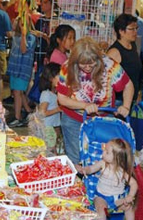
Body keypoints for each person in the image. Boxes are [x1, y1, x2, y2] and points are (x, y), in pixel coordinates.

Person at [57, 37, 134, 165]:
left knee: (103, 156)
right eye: (83, 64)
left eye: (91, 63)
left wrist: (126, 106)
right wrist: (84, 105)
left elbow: (128, 85)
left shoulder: (109, 65)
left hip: (103, 119)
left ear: (98, 59)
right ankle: (79, 182)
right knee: (77, 158)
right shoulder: (67, 67)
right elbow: (62, 98)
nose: (87, 67)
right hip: (74, 120)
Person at [76, 138, 138, 220]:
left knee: (129, 207)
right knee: (101, 212)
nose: (103, 153)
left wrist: (130, 196)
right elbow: (91, 169)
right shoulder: (103, 163)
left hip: (117, 199)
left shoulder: (122, 171)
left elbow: (134, 184)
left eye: (107, 152)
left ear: (117, 158)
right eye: (104, 149)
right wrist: (84, 170)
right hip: (101, 197)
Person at [6, 17, 36, 127]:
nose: (22, 25)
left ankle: (17, 117)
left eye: (25, 22)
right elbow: (9, 32)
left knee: (18, 93)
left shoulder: (31, 37)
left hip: (23, 70)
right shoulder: (16, 36)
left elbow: (24, 50)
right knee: (17, 92)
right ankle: (28, 111)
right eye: (20, 22)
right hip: (14, 69)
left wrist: (24, 34)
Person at [107, 13, 142, 102]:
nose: (135, 32)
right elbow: (107, 80)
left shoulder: (133, 45)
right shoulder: (114, 52)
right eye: (131, 29)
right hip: (119, 101)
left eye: (136, 28)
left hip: (131, 99)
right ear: (121, 31)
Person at [39, 62, 62, 153]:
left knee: (53, 148)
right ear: (51, 78)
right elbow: (42, 112)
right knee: (50, 150)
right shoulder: (46, 94)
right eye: (59, 76)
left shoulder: (54, 93)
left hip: (53, 127)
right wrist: (58, 109)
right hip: (48, 128)